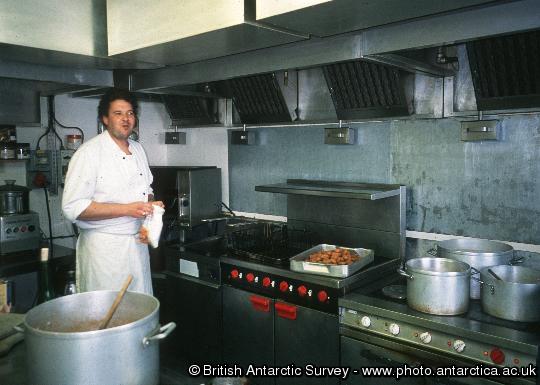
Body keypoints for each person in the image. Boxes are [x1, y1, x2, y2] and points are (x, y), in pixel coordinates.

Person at [62, 88, 163, 295]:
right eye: (118, 113)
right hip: (104, 252)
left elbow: (147, 190)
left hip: (136, 247)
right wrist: (127, 210)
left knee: (139, 310)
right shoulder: (89, 153)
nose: (126, 119)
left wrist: (150, 208)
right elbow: (73, 208)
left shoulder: (138, 149)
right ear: (105, 119)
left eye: (130, 113)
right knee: (106, 316)